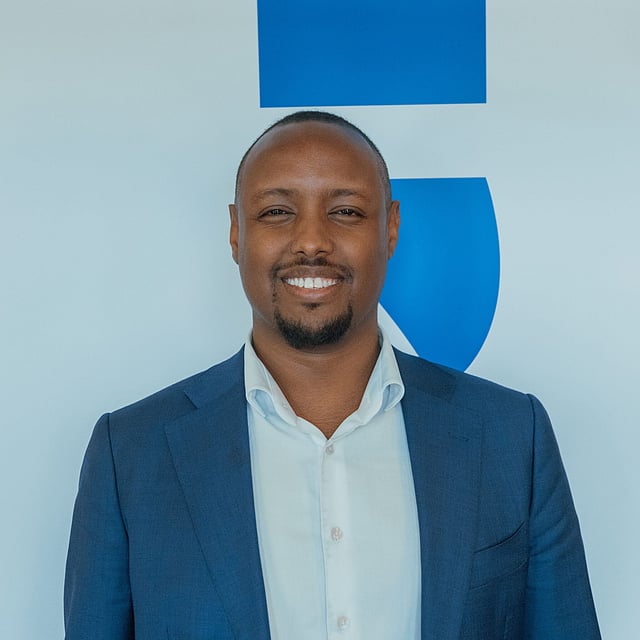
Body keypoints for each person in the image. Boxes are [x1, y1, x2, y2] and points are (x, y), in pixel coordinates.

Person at [64, 111, 601, 639]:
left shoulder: (511, 436)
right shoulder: (130, 455)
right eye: (277, 212)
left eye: (345, 211)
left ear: (390, 228)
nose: (312, 241)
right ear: (236, 232)